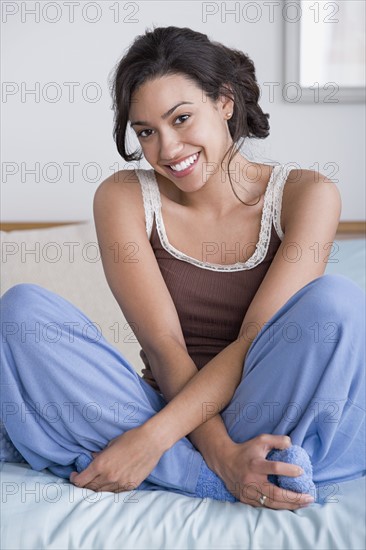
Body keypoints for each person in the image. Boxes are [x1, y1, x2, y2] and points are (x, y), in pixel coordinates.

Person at [1, 25, 365, 511]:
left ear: (225, 102)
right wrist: (217, 457)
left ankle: (178, 464)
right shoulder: (123, 196)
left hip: (267, 403)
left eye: (181, 119)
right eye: (146, 132)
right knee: (21, 311)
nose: (167, 150)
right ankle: (228, 475)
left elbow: (253, 340)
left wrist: (151, 442)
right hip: (161, 408)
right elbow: (164, 347)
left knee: (338, 304)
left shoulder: (307, 194)